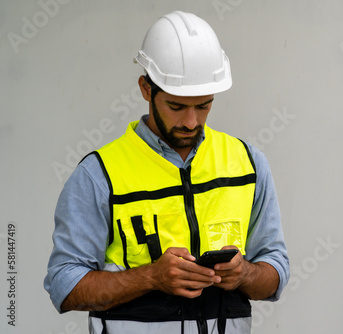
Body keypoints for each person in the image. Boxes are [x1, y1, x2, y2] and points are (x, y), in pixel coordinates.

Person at [44, 10, 289, 334]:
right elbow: (64, 285)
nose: (191, 121)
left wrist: (245, 274)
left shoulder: (249, 164)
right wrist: (151, 277)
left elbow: (276, 272)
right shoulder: (99, 175)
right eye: (176, 106)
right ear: (146, 88)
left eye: (203, 105)